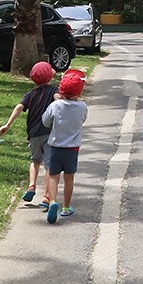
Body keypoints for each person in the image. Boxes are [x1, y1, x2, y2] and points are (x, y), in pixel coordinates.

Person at [0, 60, 57, 203]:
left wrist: (7, 124)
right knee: (50, 165)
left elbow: (18, 107)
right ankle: (47, 196)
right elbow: (58, 99)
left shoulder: (30, 94)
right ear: (50, 77)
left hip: (33, 134)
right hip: (49, 133)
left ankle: (31, 186)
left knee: (35, 161)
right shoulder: (54, 91)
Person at [41, 69, 87, 224]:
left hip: (55, 147)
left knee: (53, 176)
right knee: (69, 178)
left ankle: (53, 201)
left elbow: (45, 121)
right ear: (79, 92)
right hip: (72, 149)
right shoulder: (82, 107)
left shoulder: (55, 105)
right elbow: (83, 120)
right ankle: (66, 207)